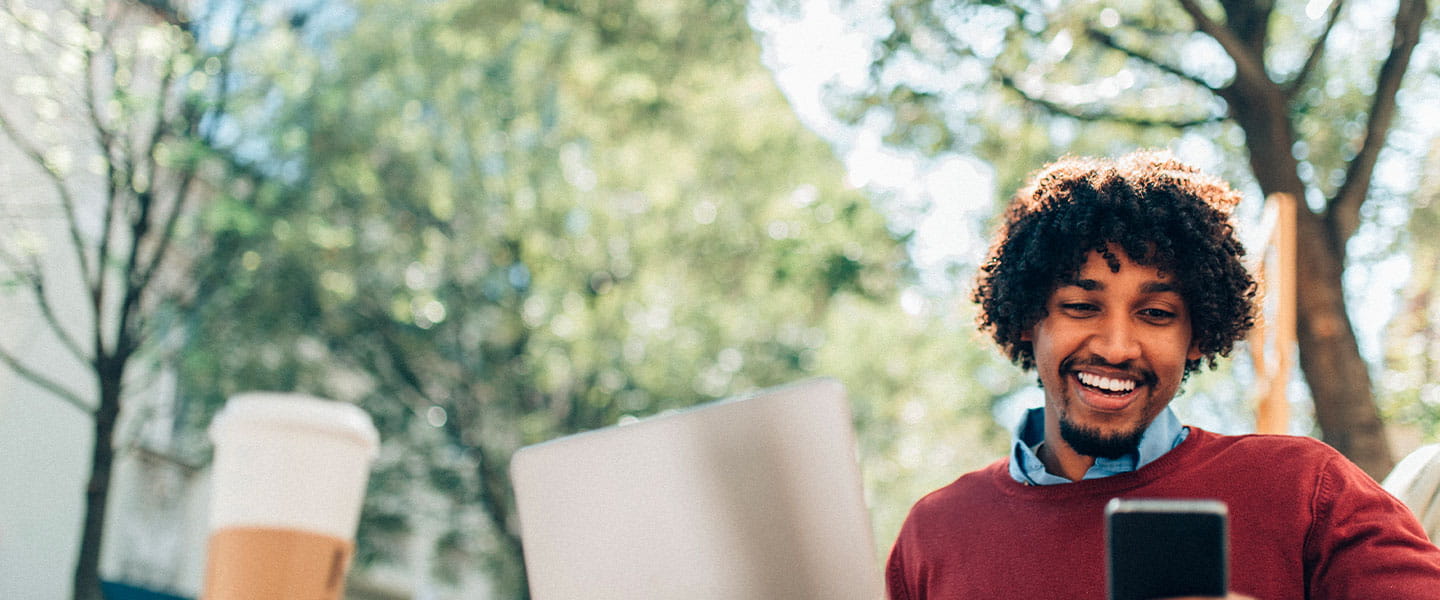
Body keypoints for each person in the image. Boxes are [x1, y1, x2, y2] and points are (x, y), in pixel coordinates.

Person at [885, 151, 1440, 599]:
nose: (1116, 347)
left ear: (1197, 334)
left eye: (1155, 313)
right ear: (1030, 318)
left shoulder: (1307, 490)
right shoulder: (934, 533)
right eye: (1080, 306)